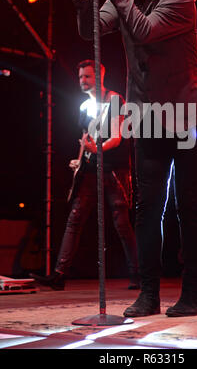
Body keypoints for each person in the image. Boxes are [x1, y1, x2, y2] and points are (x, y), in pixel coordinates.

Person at [72, 0, 197, 317]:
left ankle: (193, 294)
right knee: (147, 207)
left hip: (187, 113)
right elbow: (89, 31)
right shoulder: (124, 0)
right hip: (148, 115)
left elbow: (146, 31)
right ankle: (148, 294)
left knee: (188, 204)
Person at [31, 59, 139, 290]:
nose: (83, 81)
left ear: (100, 76)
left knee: (121, 223)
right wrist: (79, 160)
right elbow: (84, 138)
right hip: (90, 169)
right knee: (75, 218)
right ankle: (59, 275)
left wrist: (95, 149)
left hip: (115, 169)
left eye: (87, 76)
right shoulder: (83, 106)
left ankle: (137, 274)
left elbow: (117, 137)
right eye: (81, 77)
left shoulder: (115, 99)